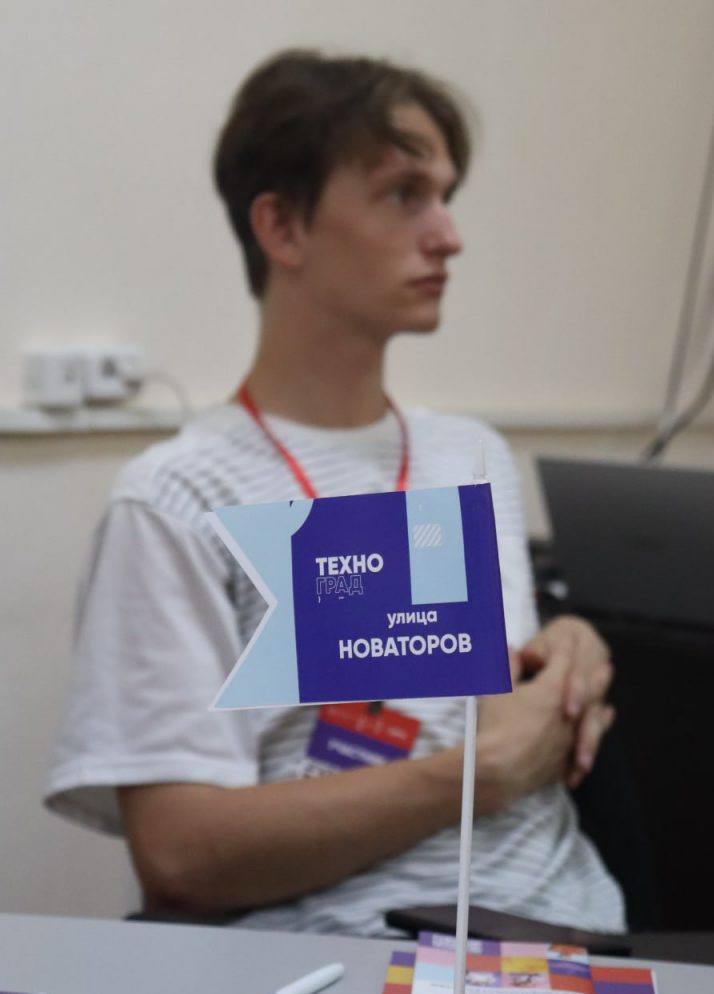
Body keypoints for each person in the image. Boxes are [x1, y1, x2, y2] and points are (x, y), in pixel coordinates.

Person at [44, 50, 624, 937]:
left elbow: (495, 709)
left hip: (577, 932)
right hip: (354, 951)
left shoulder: (470, 457)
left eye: (447, 197)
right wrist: (477, 775)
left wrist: (564, 656)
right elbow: (182, 858)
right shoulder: (178, 498)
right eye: (404, 195)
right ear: (282, 227)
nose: (448, 236)